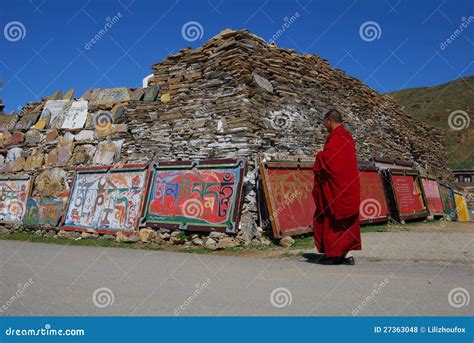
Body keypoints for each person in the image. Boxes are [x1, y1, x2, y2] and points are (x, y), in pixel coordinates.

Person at [311, 109, 361, 265]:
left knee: (331, 218)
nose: (324, 126)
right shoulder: (348, 137)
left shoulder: (335, 138)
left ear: (328, 121)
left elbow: (331, 162)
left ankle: (333, 255)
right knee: (347, 222)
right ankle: (347, 255)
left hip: (336, 189)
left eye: (324, 123)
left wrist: (319, 155)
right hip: (349, 186)